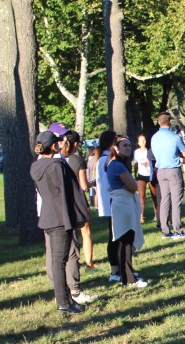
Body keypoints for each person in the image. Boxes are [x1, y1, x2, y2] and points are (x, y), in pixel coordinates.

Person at [30, 131, 92, 314]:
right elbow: (70, 192)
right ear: (53, 145)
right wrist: (79, 215)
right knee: (60, 261)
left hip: (47, 215)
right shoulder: (57, 166)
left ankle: (65, 299)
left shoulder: (36, 166)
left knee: (56, 260)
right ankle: (63, 302)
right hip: (61, 217)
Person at [105, 136, 147, 287]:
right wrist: (132, 184)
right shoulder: (117, 165)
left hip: (121, 203)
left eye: (129, 145)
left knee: (124, 240)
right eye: (124, 146)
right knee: (125, 241)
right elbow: (134, 186)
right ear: (116, 148)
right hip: (122, 204)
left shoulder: (114, 163)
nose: (128, 148)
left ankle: (126, 275)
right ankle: (129, 279)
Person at [151, 112, 185, 239]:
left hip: (160, 170)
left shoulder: (154, 138)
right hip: (173, 170)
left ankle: (165, 230)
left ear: (158, 122)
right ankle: (178, 230)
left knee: (164, 200)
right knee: (176, 200)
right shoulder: (175, 137)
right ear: (169, 122)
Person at [62, 131, 97, 271]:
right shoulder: (78, 161)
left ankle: (68, 263)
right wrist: (91, 184)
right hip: (78, 200)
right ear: (76, 144)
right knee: (86, 232)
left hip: (63, 200)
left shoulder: (58, 159)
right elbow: (83, 186)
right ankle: (89, 263)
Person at [93, 130, 121, 282]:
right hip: (112, 200)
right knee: (115, 237)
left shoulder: (101, 159)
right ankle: (115, 270)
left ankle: (117, 269)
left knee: (115, 235)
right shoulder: (107, 160)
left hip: (108, 200)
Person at [132, 134, 159, 223]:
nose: (143, 142)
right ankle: (141, 216)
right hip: (141, 175)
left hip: (150, 175)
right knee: (141, 196)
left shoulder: (149, 151)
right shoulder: (136, 152)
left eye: (144, 140)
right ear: (138, 142)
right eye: (141, 140)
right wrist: (135, 174)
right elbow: (136, 164)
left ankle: (156, 215)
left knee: (154, 195)